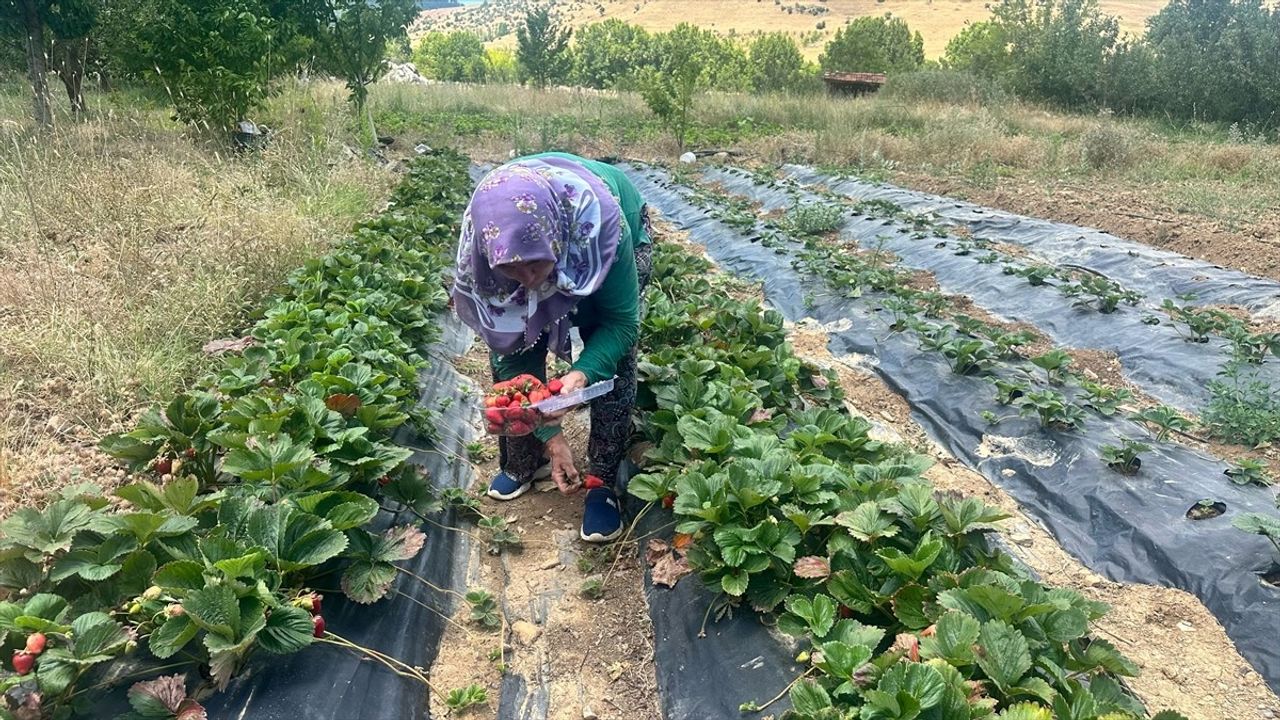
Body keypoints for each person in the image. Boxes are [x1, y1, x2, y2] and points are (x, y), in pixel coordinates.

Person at [451, 152, 652, 543]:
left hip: (600, 237)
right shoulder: (484, 249)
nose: (527, 279)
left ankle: (602, 483)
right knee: (519, 351)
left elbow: (621, 323)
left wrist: (583, 374)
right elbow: (511, 353)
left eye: (535, 263)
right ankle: (525, 463)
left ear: (556, 241)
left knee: (612, 361)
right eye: (511, 267)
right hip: (543, 233)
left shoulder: (605, 230)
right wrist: (552, 439)